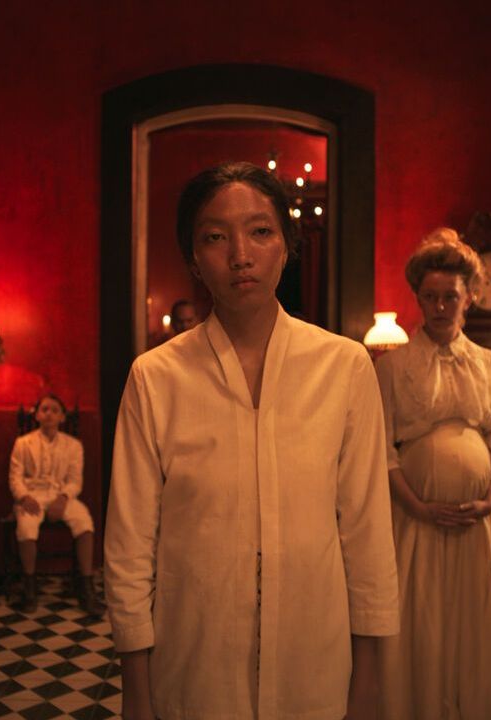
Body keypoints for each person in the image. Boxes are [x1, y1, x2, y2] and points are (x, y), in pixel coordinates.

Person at [105, 161, 399, 720]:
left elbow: (366, 533)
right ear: (194, 259)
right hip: (195, 667)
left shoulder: (343, 367)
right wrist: (136, 689)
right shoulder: (156, 377)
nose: (241, 255)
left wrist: (368, 679)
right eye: (216, 237)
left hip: (314, 664)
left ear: (287, 246)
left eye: (260, 231)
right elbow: (129, 543)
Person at [375, 228, 491, 719]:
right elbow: (380, 449)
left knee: (474, 619)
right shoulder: (393, 366)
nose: (440, 306)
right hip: (415, 519)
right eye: (431, 296)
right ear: (418, 298)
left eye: (451, 296)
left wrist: (490, 498)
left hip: (476, 521)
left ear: (470, 297)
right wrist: (417, 506)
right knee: (421, 619)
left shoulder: (488, 364)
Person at [9, 393, 105, 616]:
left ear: (62, 417)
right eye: (44, 409)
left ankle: (87, 589)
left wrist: (62, 499)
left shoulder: (74, 445)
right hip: (32, 496)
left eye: (54, 410)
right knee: (26, 528)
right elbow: (15, 477)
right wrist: (24, 497)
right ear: (37, 415)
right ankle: (29, 588)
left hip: (61, 495)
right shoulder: (22, 443)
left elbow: (75, 481)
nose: (49, 414)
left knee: (84, 522)